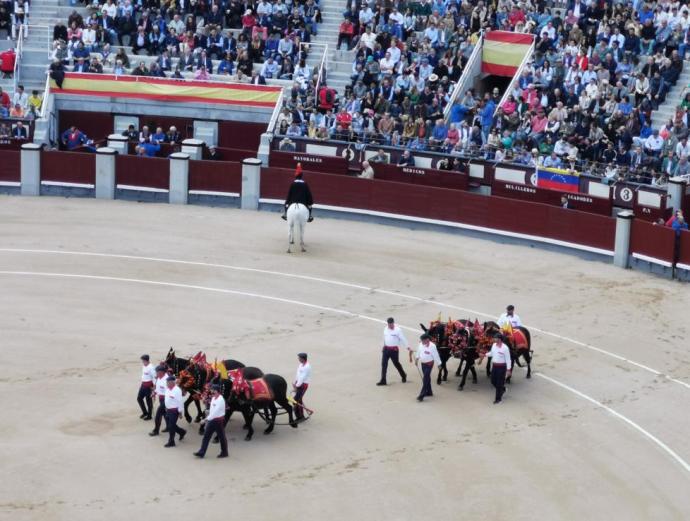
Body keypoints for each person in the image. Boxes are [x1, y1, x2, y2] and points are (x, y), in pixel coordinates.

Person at [193, 385, 228, 458]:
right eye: (212, 390)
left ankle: (224, 452)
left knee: (221, 437)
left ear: (218, 391)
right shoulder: (214, 398)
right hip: (212, 420)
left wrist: (205, 420)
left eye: (213, 390)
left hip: (218, 421)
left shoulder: (220, 400)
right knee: (206, 436)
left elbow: (215, 412)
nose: (212, 391)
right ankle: (201, 452)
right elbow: (212, 410)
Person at [377, 317, 408, 386]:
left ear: (393, 323)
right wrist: (383, 346)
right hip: (386, 349)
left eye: (391, 324)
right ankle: (383, 380)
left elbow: (403, 339)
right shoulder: (385, 328)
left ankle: (403, 375)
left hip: (394, 350)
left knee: (396, 364)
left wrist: (408, 347)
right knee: (384, 364)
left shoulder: (398, 330)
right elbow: (384, 338)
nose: (390, 325)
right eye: (389, 324)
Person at [483, 334, 512, 404]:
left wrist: (508, 370)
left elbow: (508, 359)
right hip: (494, 366)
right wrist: (485, 354)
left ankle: (498, 399)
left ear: (499, 339)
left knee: (499, 383)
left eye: (495, 338)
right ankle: (503, 389)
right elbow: (492, 353)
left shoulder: (505, 348)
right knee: (493, 381)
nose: (494, 339)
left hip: (502, 367)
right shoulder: (494, 345)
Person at [414, 333, 441, 402]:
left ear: (427, 340)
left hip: (429, 364)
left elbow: (436, 355)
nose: (422, 342)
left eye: (423, 340)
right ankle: (429, 392)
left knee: (425, 378)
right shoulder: (421, 344)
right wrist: (416, 359)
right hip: (423, 364)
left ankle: (422, 395)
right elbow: (418, 352)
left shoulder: (432, 346)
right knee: (427, 377)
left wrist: (439, 364)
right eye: (421, 340)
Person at [163, 375, 187, 447]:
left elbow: (180, 402)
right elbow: (167, 399)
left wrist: (180, 412)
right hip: (168, 410)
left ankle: (171, 442)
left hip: (174, 411)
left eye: (168, 382)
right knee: (172, 425)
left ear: (172, 382)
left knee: (171, 426)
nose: (166, 384)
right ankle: (182, 432)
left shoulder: (177, 390)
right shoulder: (167, 389)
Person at [149, 365, 168, 436]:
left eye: (157, 372)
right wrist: (154, 393)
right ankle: (170, 427)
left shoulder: (167, 380)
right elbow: (158, 388)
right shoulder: (159, 378)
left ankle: (156, 430)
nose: (156, 373)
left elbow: (169, 393)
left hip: (166, 400)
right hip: (161, 399)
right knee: (165, 415)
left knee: (158, 415)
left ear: (161, 372)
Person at [293, 352, 311, 422]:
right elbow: (298, 375)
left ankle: (301, 417)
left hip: (303, 385)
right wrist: (295, 382)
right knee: (298, 400)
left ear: (303, 359)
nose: (298, 359)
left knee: (296, 400)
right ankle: (299, 416)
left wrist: (296, 386)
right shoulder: (301, 365)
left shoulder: (307, 367)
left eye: (299, 358)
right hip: (299, 384)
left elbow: (302, 377)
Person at [137, 354, 156, 420]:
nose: (142, 362)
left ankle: (149, 415)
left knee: (149, 401)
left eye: (143, 361)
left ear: (146, 360)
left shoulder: (151, 367)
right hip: (143, 385)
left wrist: (154, 387)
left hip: (148, 386)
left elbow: (154, 378)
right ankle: (145, 412)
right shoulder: (144, 366)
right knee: (139, 398)